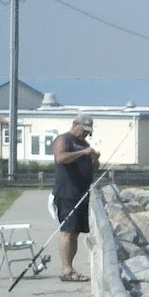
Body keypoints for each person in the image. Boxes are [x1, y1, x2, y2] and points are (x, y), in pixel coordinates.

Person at [52, 115, 101, 280]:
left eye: (88, 132)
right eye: (84, 130)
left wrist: (94, 159)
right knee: (67, 230)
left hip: (82, 193)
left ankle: (70, 268)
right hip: (67, 193)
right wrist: (82, 152)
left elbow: (93, 168)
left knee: (75, 232)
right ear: (75, 125)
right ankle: (66, 269)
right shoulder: (64, 139)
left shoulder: (85, 144)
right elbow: (61, 158)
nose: (86, 134)